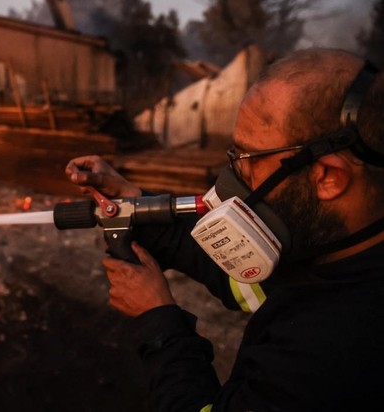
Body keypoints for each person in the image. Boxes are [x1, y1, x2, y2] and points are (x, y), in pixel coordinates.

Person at [65, 48, 384, 411]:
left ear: (327, 177)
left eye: (246, 159)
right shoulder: (332, 245)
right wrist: (134, 203)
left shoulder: (328, 353)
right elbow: (246, 279)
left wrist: (159, 323)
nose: (233, 177)